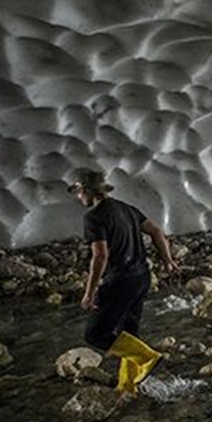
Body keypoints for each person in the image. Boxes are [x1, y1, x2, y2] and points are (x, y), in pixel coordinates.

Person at [68, 168, 178, 395]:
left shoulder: (94, 216)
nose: (78, 198)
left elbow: (100, 255)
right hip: (141, 277)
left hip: (120, 281)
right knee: (128, 335)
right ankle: (127, 387)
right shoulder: (126, 208)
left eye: (78, 192)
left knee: (96, 334)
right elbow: (157, 231)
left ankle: (147, 357)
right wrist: (167, 261)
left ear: (88, 191)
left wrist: (89, 293)